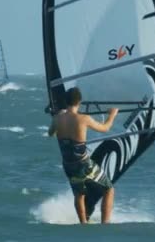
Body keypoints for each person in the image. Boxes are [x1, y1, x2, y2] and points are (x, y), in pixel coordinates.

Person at [48, 87, 119, 224]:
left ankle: (83, 224)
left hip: (68, 165)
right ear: (79, 102)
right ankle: (105, 223)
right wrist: (112, 115)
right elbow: (105, 128)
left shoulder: (57, 118)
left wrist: (58, 116)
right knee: (109, 189)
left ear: (66, 101)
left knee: (79, 195)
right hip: (84, 164)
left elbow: (50, 133)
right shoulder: (83, 119)